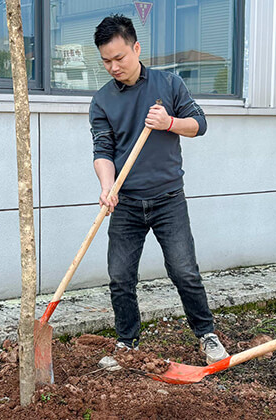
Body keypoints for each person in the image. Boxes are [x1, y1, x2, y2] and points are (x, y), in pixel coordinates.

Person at [89, 14, 228, 365]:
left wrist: (169, 122)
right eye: (106, 61)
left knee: (184, 271)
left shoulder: (169, 84)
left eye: (119, 57)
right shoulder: (102, 100)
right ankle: (127, 343)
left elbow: (199, 125)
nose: (113, 67)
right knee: (120, 277)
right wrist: (107, 187)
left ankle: (206, 334)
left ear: (136, 48)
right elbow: (103, 150)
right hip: (126, 202)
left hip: (168, 199)